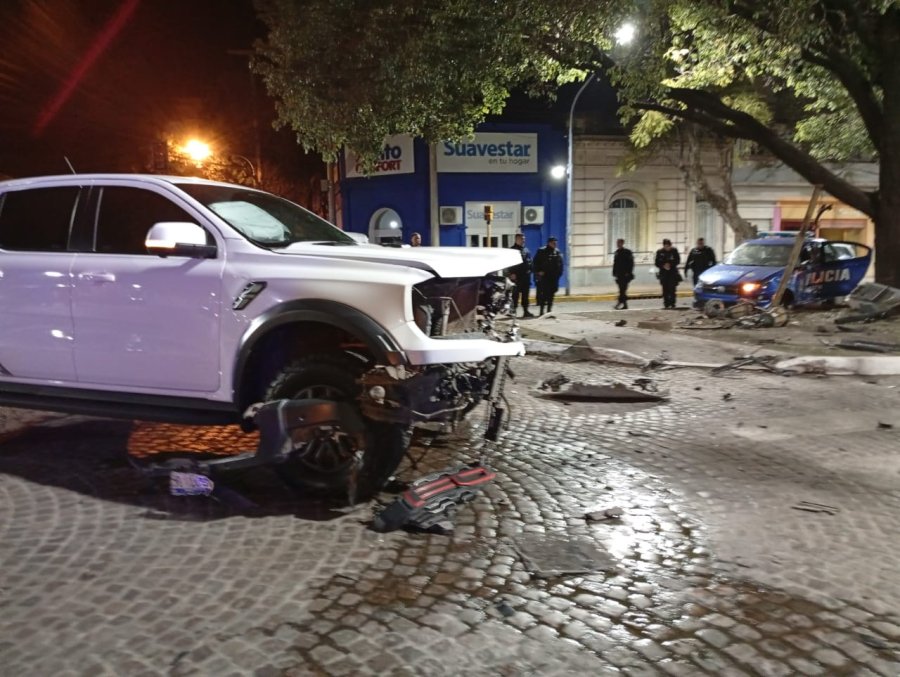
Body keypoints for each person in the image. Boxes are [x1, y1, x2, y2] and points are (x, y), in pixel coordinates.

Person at [532, 236, 564, 315]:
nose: (555, 244)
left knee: (551, 294)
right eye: (553, 243)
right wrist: (538, 272)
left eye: (555, 243)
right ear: (549, 243)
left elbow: (561, 264)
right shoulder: (542, 251)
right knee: (544, 294)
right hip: (545, 277)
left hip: (554, 277)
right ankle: (541, 311)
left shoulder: (557, 252)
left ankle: (549, 311)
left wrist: (559, 274)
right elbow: (535, 263)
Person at [508, 233, 534, 318]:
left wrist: (532, 270)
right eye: (522, 239)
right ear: (517, 239)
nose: (524, 240)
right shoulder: (512, 250)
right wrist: (511, 273)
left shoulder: (526, 250)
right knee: (515, 296)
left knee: (525, 296)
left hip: (526, 277)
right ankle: (513, 312)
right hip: (516, 277)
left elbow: (530, 262)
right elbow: (509, 263)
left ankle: (526, 311)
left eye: (524, 239)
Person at [655, 238, 681, 309]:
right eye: (666, 246)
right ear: (663, 246)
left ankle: (672, 303)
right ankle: (666, 303)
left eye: (668, 246)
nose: (667, 248)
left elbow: (678, 260)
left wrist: (670, 265)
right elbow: (657, 262)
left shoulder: (674, 251)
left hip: (672, 273)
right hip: (663, 273)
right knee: (665, 289)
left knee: (672, 289)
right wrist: (663, 265)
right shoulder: (660, 252)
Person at [611, 238, 635, 309]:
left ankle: (620, 303)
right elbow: (615, 263)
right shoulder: (617, 252)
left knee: (623, 289)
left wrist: (628, 272)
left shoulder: (627, 252)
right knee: (622, 290)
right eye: (617, 243)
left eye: (619, 243)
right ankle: (624, 304)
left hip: (625, 274)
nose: (617, 244)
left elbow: (631, 263)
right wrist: (614, 272)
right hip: (619, 274)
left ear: (622, 243)